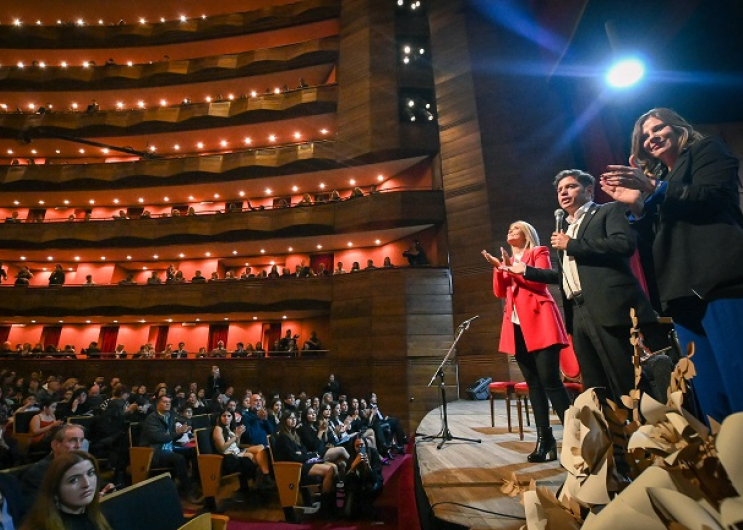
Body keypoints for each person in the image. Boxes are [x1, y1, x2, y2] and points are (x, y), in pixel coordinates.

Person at [600, 108, 743, 421]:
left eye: (658, 128)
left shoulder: (706, 150)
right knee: (707, 390)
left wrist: (654, 189)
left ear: (680, 128)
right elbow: (653, 238)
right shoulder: (660, 180)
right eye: (645, 136)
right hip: (681, 292)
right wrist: (637, 208)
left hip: (720, 283)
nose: (651, 138)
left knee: (737, 377)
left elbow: (715, 196)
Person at [504, 170, 658, 405]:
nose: (563, 192)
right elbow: (565, 275)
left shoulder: (608, 211)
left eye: (570, 187)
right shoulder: (566, 229)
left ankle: (647, 433)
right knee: (595, 382)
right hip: (577, 312)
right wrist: (525, 271)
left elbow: (624, 244)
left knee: (625, 376)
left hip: (608, 307)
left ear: (588, 190)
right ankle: (613, 438)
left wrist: (573, 244)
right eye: (559, 190)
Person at [482, 221, 571, 462]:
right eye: (508, 228)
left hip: (541, 320)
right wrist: (500, 267)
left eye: (515, 228)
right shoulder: (507, 259)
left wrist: (510, 268)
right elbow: (500, 292)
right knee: (533, 384)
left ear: (527, 234)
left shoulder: (538, 252)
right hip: (516, 325)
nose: (510, 231)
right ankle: (545, 441)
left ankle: (576, 438)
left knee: (551, 381)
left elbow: (538, 283)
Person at [20, 451, 113, 530]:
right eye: (74, 480)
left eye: (91, 473)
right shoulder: (41, 526)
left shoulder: (101, 517)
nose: (87, 484)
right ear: (55, 489)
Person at [140, 395, 202, 504]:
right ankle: (187, 491)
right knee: (178, 458)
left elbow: (172, 436)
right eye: (165, 402)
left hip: (169, 447)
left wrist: (182, 432)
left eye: (169, 402)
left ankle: (194, 483)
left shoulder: (170, 416)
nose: (168, 404)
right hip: (154, 451)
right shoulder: (152, 419)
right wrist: (177, 432)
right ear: (157, 404)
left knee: (195, 451)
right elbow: (158, 438)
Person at [273, 411, 337, 517]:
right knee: (330, 470)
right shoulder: (283, 438)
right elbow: (294, 457)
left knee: (333, 466)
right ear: (284, 421)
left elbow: (303, 450)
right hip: (294, 468)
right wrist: (308, 455)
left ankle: (330, 503)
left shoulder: (294, 434)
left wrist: (303, 454)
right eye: (290, 418)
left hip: (301, 462)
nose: (293, 420)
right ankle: (325, 506)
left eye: (294, 418)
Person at [342, 437, 383, 520]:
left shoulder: (373, 453)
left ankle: (367, 505)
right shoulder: (352, 456)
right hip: (356, 486)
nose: (360, 448)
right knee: (348, 515)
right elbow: (346, 481)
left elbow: (376, 477)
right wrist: (353, 467)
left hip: (371, 483)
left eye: (362, 445)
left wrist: (368, 466)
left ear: (366, 445)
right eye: (357, 446)